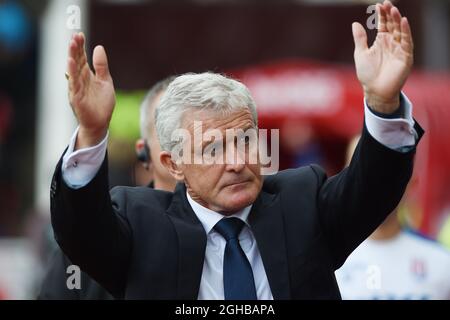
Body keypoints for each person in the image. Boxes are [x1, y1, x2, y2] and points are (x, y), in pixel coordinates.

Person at [50, 1, 424, 299]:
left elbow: (375, 185)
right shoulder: (140, 221)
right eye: (212, 149)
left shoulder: (302, 203)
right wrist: (92, 131)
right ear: (172, 163)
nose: (236, 161)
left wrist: (383, 101)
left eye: (245, 140)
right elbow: (81, 232)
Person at [38, 77, 176, 299]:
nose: (188, 143)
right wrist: (91, 135)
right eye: (172, 130)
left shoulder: (238, 232)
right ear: (144, 154)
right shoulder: (87, 242)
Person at [335, 136, 450, 300]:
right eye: (361, 172)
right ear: (344, 179)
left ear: (412, 182)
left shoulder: (442, 263)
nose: (374, 184)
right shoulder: (322, 262)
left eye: (387, 172)